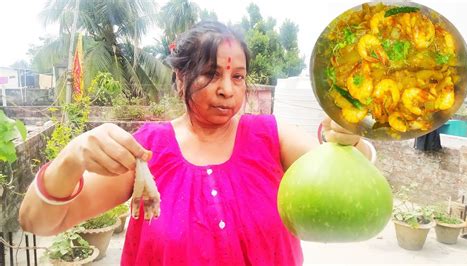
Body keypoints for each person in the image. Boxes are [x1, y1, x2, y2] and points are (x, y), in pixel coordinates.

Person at [19, 21, 375, 265]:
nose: (227, 89)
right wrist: (71, 157)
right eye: (210, 74)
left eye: (238, 77)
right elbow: (39, 222)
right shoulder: (145, 153)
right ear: (180, 77)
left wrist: (349, 141)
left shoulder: (271, 136)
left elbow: (348, 173)